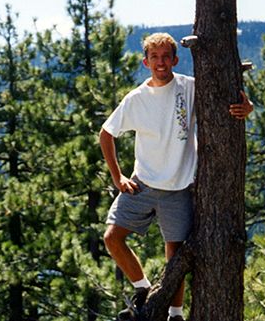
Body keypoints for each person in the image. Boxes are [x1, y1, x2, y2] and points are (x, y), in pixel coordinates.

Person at [100, 32, 253, 321]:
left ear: (175, 59)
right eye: (154, 57)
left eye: (166, 56)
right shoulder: (136, 99)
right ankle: (143, 291)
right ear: (146, 62)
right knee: (112, 237)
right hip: (141, 184)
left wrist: (249, 107)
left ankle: (175, 314)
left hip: (179, 188)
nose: (161, 62)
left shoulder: (189, 88)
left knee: (176, 257)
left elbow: (227, 101)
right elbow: (106, 134)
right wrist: (118, 177)